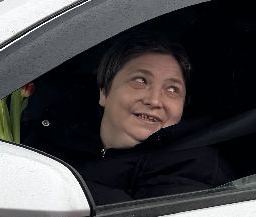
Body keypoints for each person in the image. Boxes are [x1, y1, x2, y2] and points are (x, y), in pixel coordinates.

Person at [42, 35, 229, 205]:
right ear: (104, 92)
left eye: (172, 89)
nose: (154, 100)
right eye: (140, 81)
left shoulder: (194, 165)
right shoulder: (54, 137)